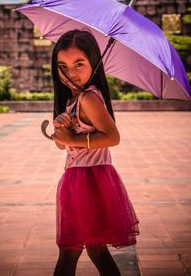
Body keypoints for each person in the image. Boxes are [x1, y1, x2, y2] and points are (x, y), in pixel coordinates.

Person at [51, 30, 139, 276]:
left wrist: (73, 138)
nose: (70, 72)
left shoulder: (89, 98)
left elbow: (113, 137)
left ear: (94, 64)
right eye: (63, 66)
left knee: (70, 250)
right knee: (95, 249)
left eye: (79, 64)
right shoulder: (73, 99)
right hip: (77, 180)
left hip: (88, 181)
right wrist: (62, 130)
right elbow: (63, 145)